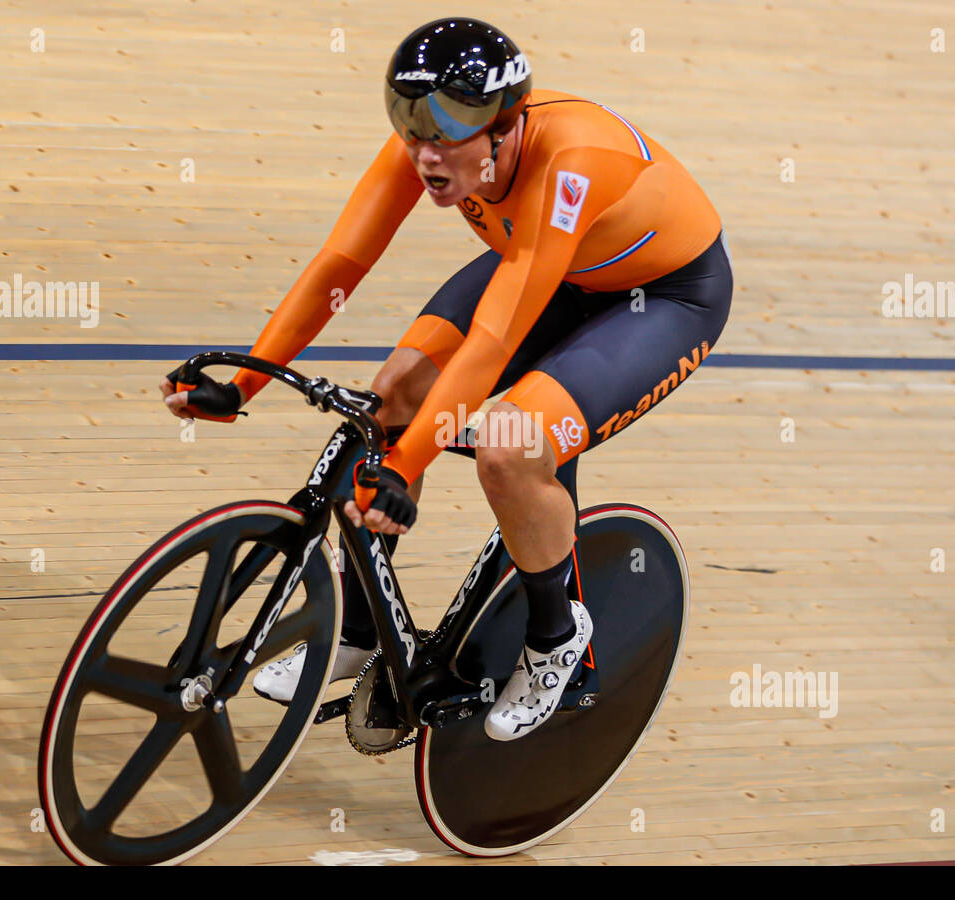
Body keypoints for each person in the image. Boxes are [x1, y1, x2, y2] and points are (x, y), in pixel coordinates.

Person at [161, 17, 732, 741]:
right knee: (393, 396)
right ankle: (362, 629)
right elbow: (342, 263)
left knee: (508, 444)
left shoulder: (570, 163)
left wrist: (404, 465)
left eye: (447, 138)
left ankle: (557, 638)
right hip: (552, 265)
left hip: (665, 298)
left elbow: (492, 340)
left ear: (504, 128)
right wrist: (246, 385)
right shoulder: (428, 145)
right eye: (411, 130)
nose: (427, 156)